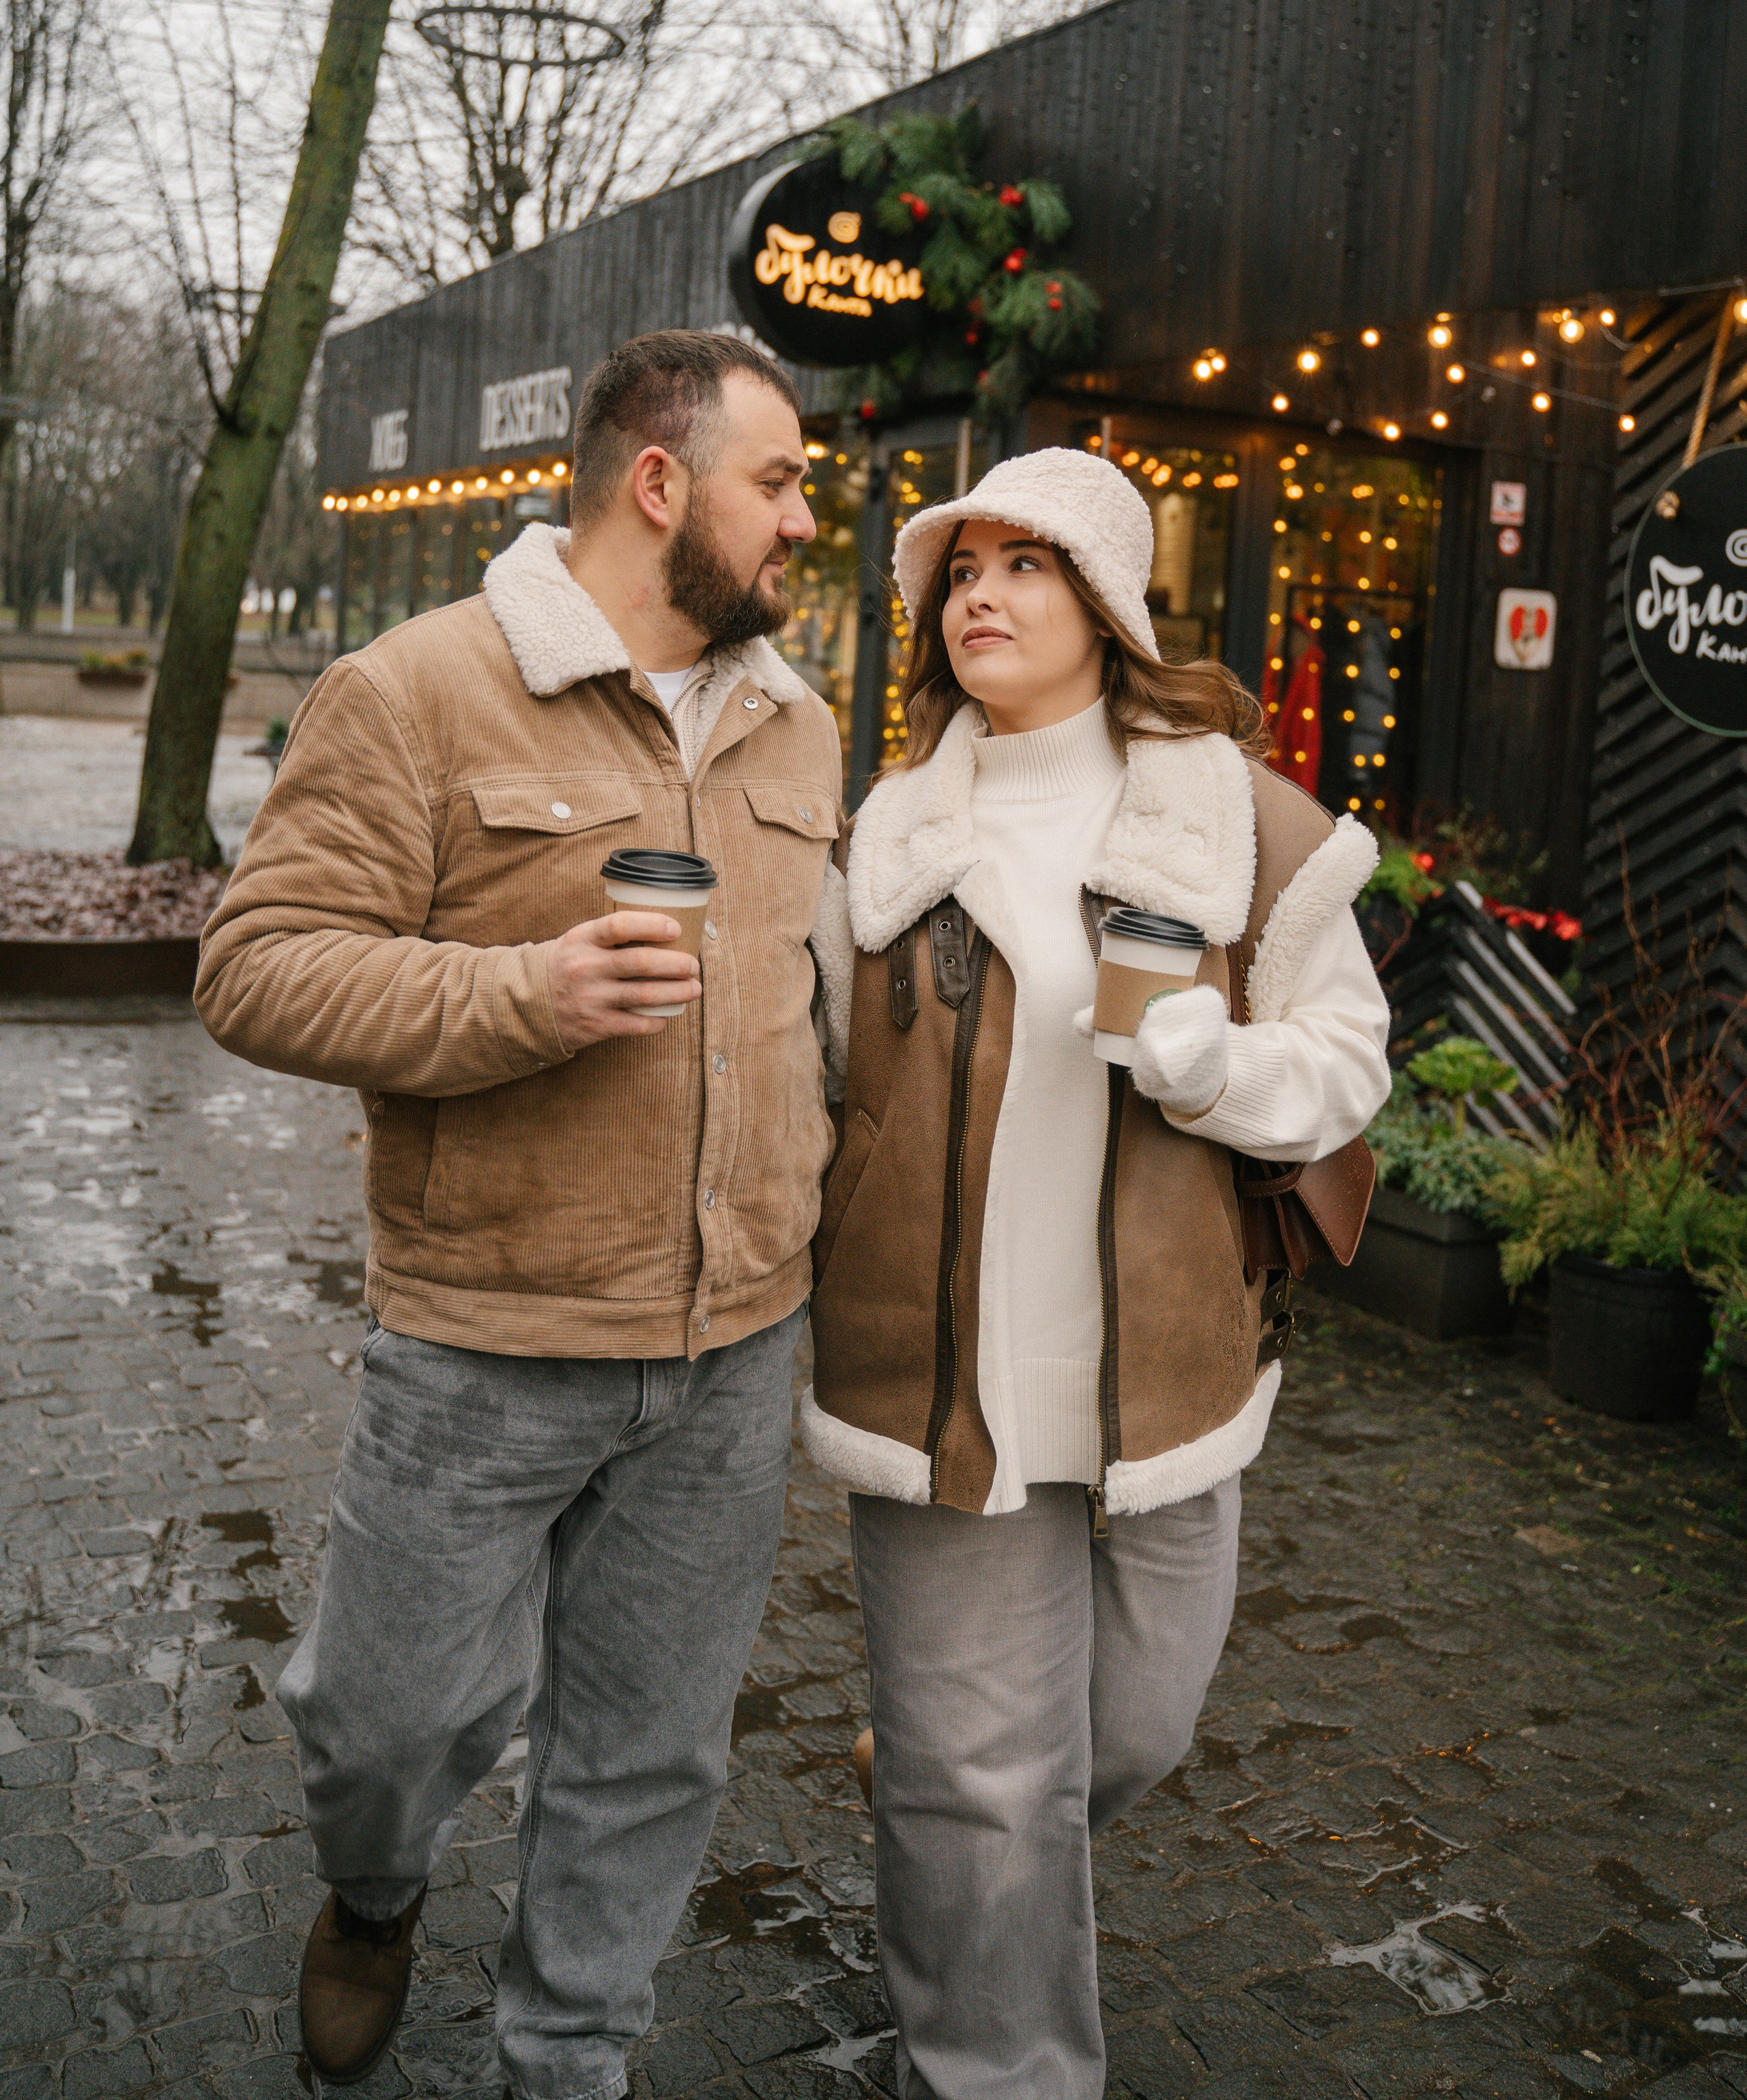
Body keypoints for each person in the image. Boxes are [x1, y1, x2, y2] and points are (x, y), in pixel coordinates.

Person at [197, 330, 853, 2099]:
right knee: (388, 1730)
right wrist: (522, 999)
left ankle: (564, 2065)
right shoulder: (419, 688)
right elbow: (252, 970)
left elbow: (819, 1008)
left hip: (732, 1359)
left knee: (649, 1762)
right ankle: (375, 1891)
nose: (808, 518)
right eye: (780, 480)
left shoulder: (803, 724)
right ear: (663, 482)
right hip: (487, 1346)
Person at [802, 447, 1392, 2100]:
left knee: (1124, 1736)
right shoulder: (887, 832)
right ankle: (990, 2061)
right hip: (941, 1389)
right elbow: (819, 1076)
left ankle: (934, 1784)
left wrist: (1213, 1068)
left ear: (1108, 605)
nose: (977, 593)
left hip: (1166, 1386)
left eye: (1025, 565)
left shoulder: (1238, 823)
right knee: (987, 1790)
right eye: (959, 569)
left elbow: (1347, 1063)